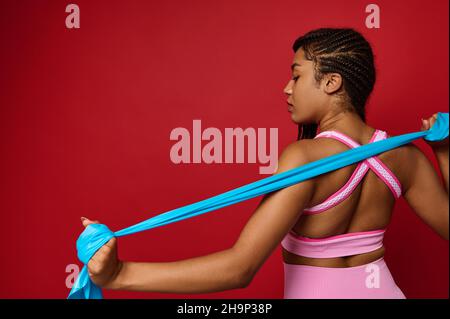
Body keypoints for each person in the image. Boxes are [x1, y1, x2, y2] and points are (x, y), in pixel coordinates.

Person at [79, 28, 449, 298]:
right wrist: (445, 151)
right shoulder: (405, 157)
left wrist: (120, 275)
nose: (286, 88)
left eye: (297, 74)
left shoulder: (304, 158)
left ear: (332, 82)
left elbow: (240, 269)